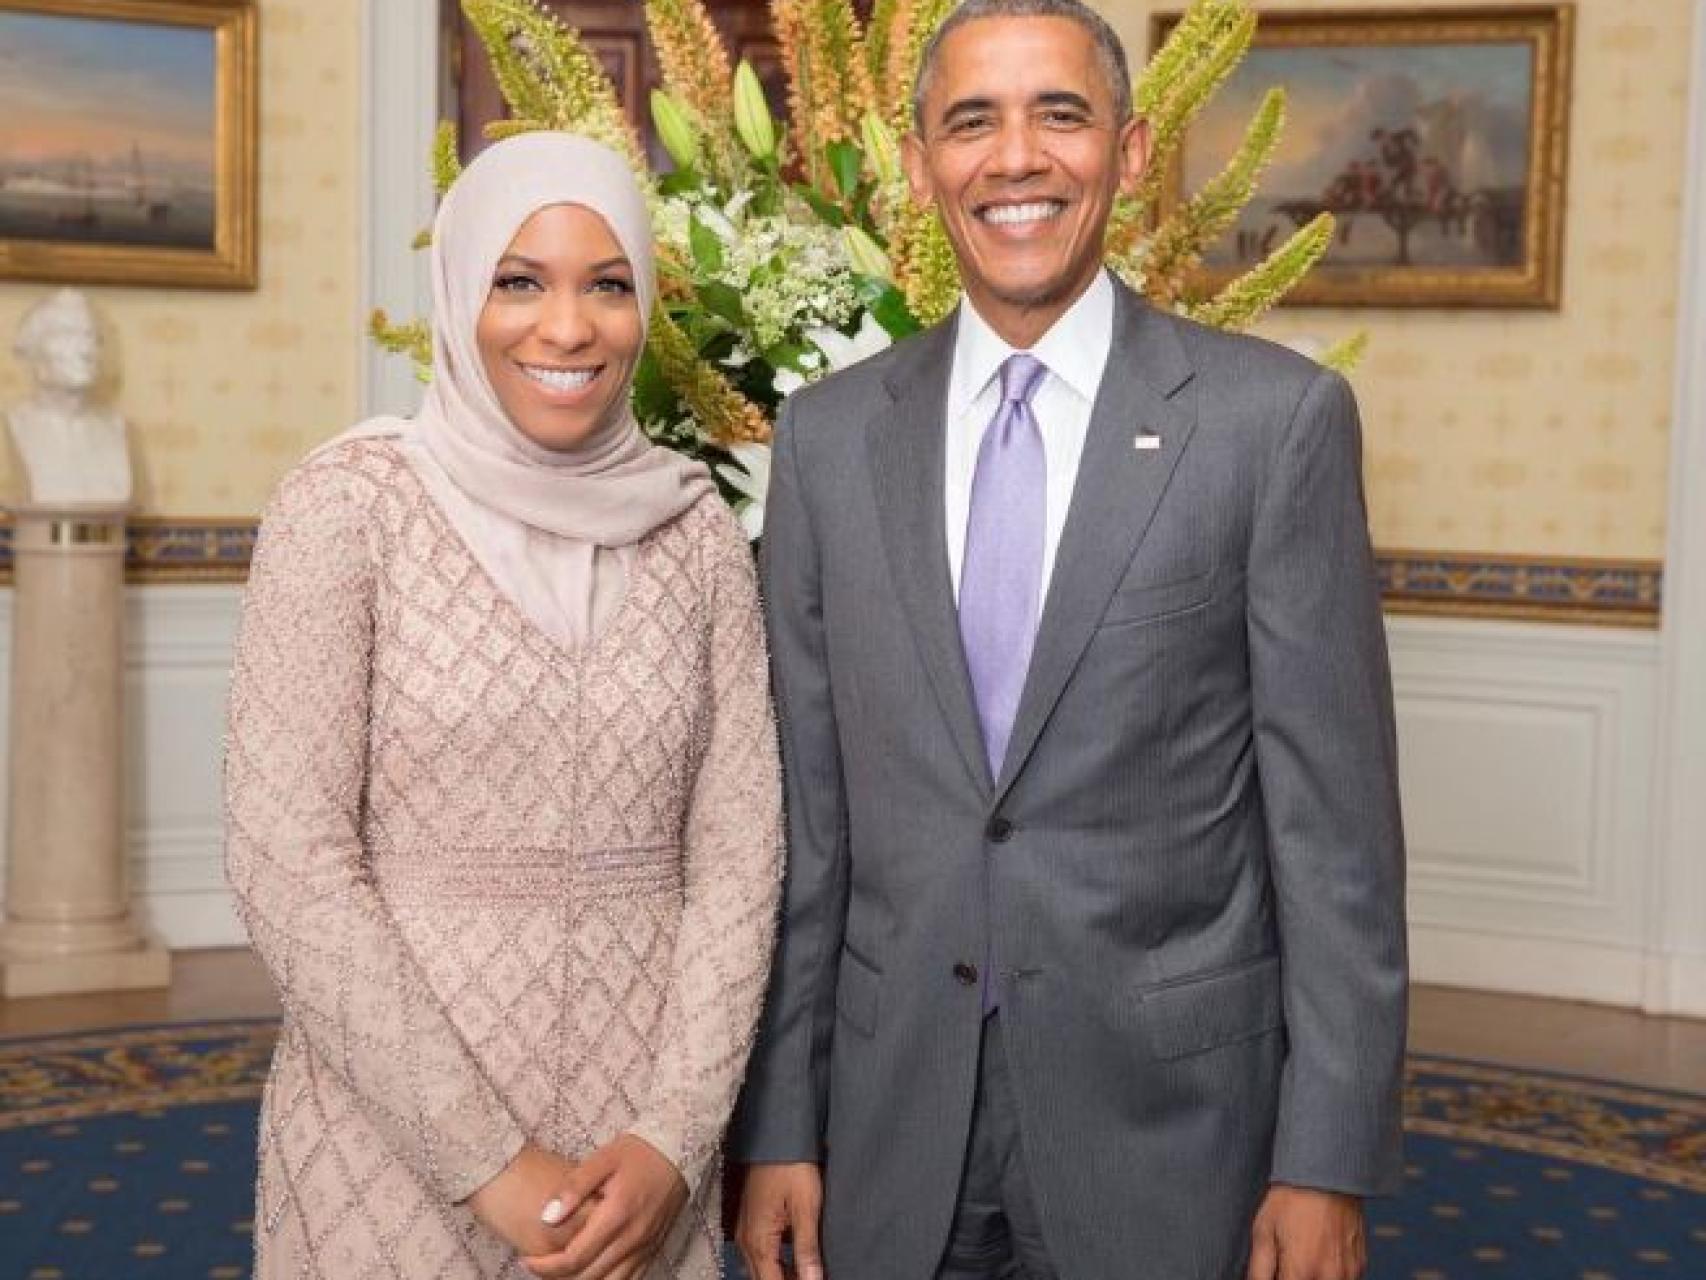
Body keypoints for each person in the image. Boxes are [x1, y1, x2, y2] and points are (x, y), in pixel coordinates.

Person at [730, 3, 1407, 1279]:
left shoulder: (1272, 427)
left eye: (1060, 114)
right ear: (921, 160)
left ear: (1133, 152)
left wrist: (1322, 1158)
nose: (1015, 158)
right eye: (971, 122)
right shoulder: (824, 440)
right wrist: (777, 1122)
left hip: (1168, 1129)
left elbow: (1335, 845)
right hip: (886, 1120)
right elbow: (805, 833)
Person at [225, 131, 781, 1280]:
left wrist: (673, 1139)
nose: (566, 327)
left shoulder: (698, 533)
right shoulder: (348, 507)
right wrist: (489, 1161)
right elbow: (288, 857)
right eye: (518, 280)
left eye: (607, 284)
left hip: (636, 1162)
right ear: (458, 290)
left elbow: (739, 858)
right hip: (385, 1141)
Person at [7, 288, 131, 505]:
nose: (86, 350)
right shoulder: (17, 423)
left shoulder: (114, 426)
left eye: (91, 337)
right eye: (67, 335)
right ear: (35, 351)